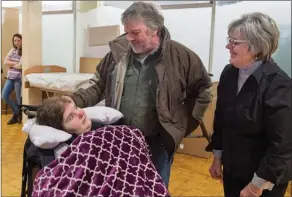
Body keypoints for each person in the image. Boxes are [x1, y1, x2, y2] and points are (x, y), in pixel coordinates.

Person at [64, 2, 213, 187]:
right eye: (127, 32)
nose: (129, 38)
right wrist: (71, 101)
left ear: (154, 30)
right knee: (119, 187)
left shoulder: (180, 56)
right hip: (119, 140)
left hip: (157, 142)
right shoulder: (117, 54)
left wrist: (184, 123)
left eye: (136, 33)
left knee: (154, 188)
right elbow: (98, 85)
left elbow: (204, 90)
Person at [208, 12, 292, 197]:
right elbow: (221, 119)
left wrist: (256, 186)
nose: (228, 46)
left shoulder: (279, 84)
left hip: (264, 179)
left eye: (234, 42)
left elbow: (282, 145)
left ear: (256, 46)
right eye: (229, 40)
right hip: (233, 171)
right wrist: (217, 157)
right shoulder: (229, 73)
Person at [32, 96, 170, 197]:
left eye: (76, 107)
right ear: (61, 129)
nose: (80, 113)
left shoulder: (113, 129)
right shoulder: (72, 147)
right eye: (70, 117)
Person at [2, 33, 22, 124]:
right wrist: (15, 63)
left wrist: (12, 63)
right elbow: (5, 61)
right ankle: (17, 112)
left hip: (18, 78)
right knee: (4, 96)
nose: (17, 42)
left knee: (19, 99)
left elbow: (21, 66)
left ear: (22, 41)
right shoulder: (12, 50)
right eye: (15, 40)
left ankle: (17, 117)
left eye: (18, 40)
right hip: (10, 77)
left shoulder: (24, 51)